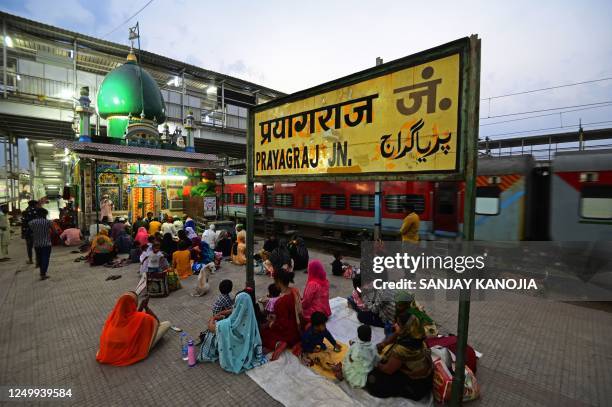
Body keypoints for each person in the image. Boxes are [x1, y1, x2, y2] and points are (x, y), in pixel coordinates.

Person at [365, 309, 433, 400]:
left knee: (372, 380)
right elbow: (395, 336)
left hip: (416, 386)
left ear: (405, 328)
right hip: (423, 377)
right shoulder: (415, 335)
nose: (394, 325)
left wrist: (373, 360)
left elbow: (387, 370)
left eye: (398, 324)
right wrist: (383, 344)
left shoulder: (403, 350)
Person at [197, 292, 267, 373]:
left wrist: (213, 318)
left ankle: (208, 353)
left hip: (235, 350)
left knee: (211, 334)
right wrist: (223, 313)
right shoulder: (251, 319)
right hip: (248, 349)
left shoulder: (227, 324)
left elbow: (211, 328)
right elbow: (234, 309)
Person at [96, 292, 170, 366]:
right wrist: (146, 308)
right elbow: (156, 323)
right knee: (167, 324)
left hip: (107, 354)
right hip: (128, 353)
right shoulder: (142, 317)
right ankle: (147, 347)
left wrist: (140, 309)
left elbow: (132, 320)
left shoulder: (112, 318)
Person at [260, 248, 303, 361]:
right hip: (296, 330)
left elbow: (282, 323)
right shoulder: (294, 291)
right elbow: (297, 312)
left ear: (278, 281)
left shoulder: (280, 301)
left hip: (287, 334)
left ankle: (278, 343)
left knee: (263, 332)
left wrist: (271, 323)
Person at [28, 208, 53, 280]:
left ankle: (41, 271)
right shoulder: (48, 222)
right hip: (46, 243)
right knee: (45, 258)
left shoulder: (31, 222)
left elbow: (30, 233)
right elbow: (54, 231)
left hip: (37, 244)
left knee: (39, 258)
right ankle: (43, 274)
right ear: (44, 214)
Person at [21, 200, 39, 265]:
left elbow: (23, 223)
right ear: (34, 204)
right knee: (37, 246)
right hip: (36, 231)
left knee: (29, 247)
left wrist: (23, 233)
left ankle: (31, 260)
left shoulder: (25, 211)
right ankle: (37, 261)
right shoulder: (38, 211)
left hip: (28, 232)